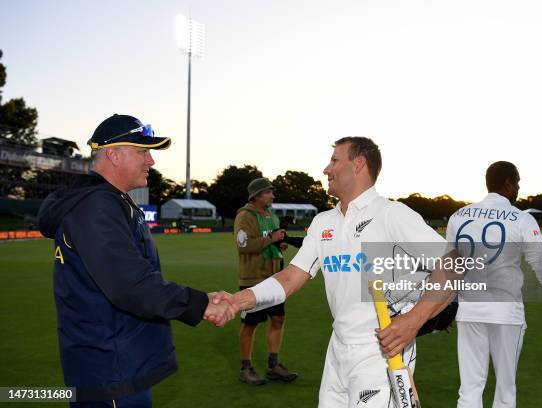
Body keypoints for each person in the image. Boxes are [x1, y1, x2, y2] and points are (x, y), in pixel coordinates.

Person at [223, 137, 455, 407]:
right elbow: (289, 278)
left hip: (382, 352)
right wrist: (236, 301)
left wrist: (415, 320)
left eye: (334, 161)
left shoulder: (391, 214)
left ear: (358, 165)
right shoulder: (323, 222)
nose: (326, 169)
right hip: (338, 351)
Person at [37, 114, 237, 408]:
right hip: (110, 371)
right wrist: (200, 304)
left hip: (120, 364)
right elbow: (131, 285)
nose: (151, 161)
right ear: (113, 155)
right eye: (143, 151)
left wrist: (202, 298)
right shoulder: (97, 206)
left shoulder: (111, 202)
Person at [445, 161, 542, 408]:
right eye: (517, 183)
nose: (518, 188)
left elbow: (449, 267)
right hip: (506, 312)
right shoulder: (522, 219)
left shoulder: (458, 217)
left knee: (469, 389)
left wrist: (445, 307)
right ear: (507, 183)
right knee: (505, 391)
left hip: (469, 310)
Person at [233, 177, 298, 385]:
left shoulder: (270, 215)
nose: (272, 195)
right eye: (269, 192)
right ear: (257, 195)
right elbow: (243, 246)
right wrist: (272, 238)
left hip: (275, 279)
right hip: (254, 280)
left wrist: (280, 244)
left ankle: (273, 365)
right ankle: (246, 368)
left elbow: (273, 240)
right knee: (250, 324)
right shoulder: (244, 216)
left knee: (278, 319)